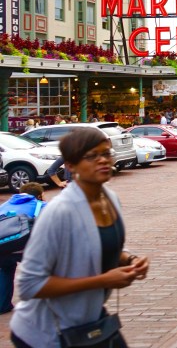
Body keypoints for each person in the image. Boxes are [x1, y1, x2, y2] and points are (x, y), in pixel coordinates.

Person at [10, 127, 149, 348]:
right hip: (49, 331)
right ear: (71, 165)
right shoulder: (60, 212)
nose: (103, 160)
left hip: (89, 319)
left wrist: (130, 261)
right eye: (92, 156)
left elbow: (99, 246)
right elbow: (29, 285)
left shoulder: (110, 198)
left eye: (106, 153)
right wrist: (102, 281)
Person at [0, 183, 47, 315]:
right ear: (39, 196)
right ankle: (40, 306)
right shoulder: (41, 206)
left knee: (6, 269)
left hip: (3, 247)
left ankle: (2, 305)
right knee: (41, 269)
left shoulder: (4, 206)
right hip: (26, 248)